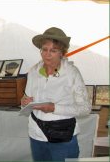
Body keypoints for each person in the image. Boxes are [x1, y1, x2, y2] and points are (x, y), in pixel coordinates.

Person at [21, 27, 91, 161]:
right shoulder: (34, 71)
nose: (47, 54)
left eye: (53, 50)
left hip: (63, 137)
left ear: (62, 53)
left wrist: (54, 108)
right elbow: (26, 99)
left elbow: (85, 108)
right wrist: (24, 102)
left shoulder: (71, 73)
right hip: (36, 136)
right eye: (44, 49)